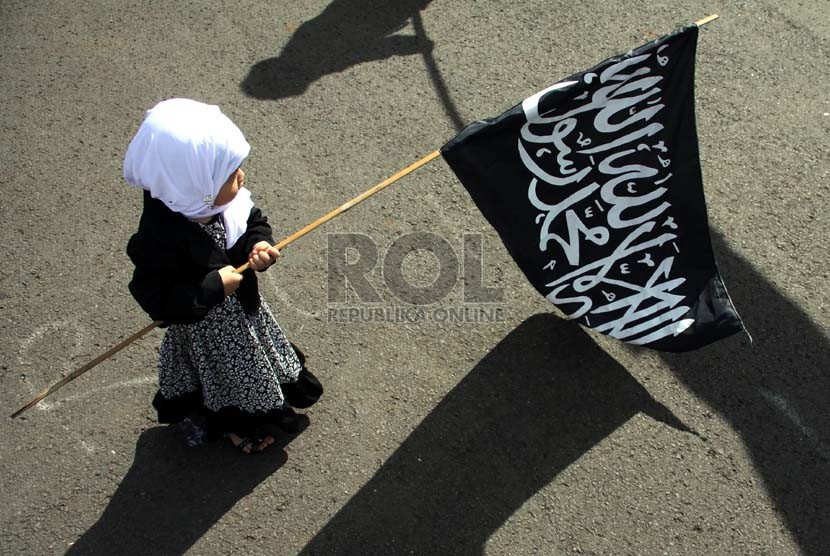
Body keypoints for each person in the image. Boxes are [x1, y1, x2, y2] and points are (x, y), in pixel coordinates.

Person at [124, 98, 322, 454]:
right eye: (230, 175)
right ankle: (234, 425)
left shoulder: (215, 203)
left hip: (244, 315)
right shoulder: (159, 237)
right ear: (193, 185)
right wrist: (212, 287)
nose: (241, 177)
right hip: (207, 337)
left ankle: (262, 401)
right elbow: (153, 296)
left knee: (253, 365)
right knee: (226, 383)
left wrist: (258, 246)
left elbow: (253, 221)